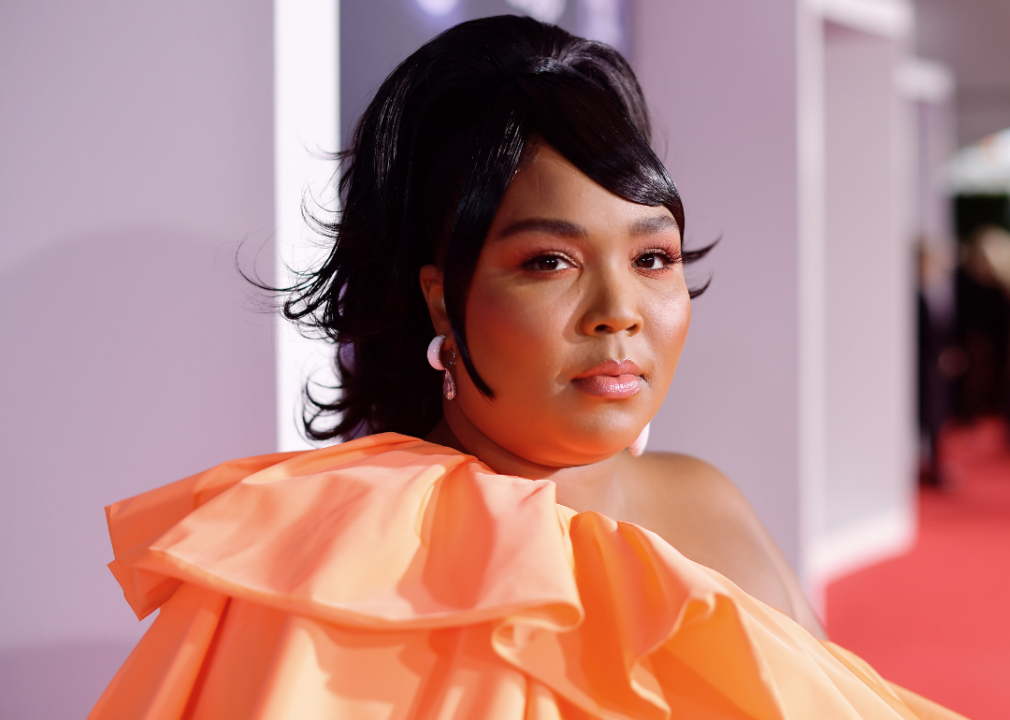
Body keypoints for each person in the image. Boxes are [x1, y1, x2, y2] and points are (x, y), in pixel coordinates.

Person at [89, 15, 965, 719]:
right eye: (550, 260)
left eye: (654, 258)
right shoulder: (335, 554)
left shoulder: (704, 503)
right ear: (441, 298)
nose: (620, 310)